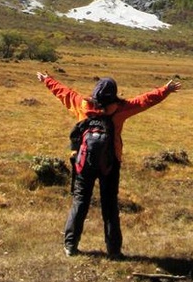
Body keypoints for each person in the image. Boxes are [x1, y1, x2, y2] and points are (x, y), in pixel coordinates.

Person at [37, 71, 181, 259]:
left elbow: (63, 92)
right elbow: (143, 101)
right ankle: (113, 251)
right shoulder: (119, 109)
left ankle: (70, 246)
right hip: (110, 164)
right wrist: (165, 90)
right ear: (114, 93)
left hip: (84, 163)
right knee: (110, 205)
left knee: (80, 202)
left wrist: (47, 80)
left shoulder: (82, 105)